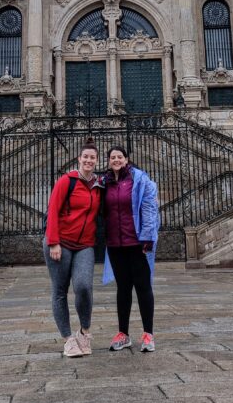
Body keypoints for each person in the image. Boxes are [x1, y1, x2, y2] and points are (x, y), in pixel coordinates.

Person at [44, 142, 102, 357]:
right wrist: (53, 242)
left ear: (97, 161)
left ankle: (84, 333)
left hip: (85, 244)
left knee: (84, 286)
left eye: (92, 157)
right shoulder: (66, 181)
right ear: (79, 158)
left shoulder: (98, 185)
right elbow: (52, 211)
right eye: (85, 156)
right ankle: (68, 339)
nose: (88, 160)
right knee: (60, 290)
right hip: (61, 243)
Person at [102, 145, 160, 352]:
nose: (116, 160)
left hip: (137, 243)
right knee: (123, 289)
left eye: (120, 157)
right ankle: (123, 334)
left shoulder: (140, 180)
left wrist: (147, 237)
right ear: (108, 161)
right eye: (112, 157)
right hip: (115, 244)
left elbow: (149, 209)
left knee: (143, 287)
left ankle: (148, 334)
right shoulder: (105, 182)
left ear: (127, 159)